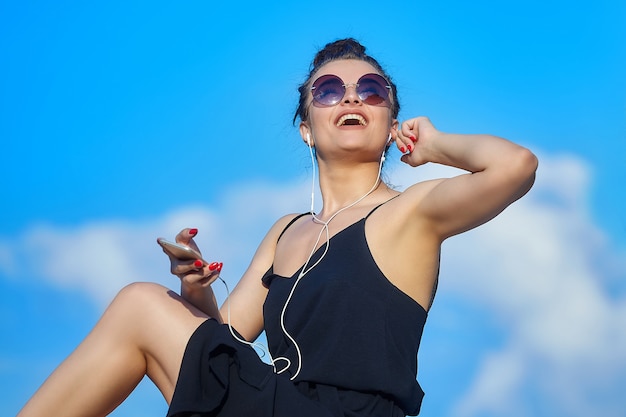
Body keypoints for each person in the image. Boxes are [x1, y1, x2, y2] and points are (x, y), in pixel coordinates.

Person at [17, 38, 538, 417]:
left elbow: (516, 166)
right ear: (306, 129)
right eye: (330, 90)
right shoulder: (286, 230)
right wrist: (194, 289)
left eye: (373, 90)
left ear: (391, 126)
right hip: (278, 402)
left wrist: (435, 145)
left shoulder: (412, 212)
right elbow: (222, 345)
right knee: (148, 307)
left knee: (138, 304)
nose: (353, 97)